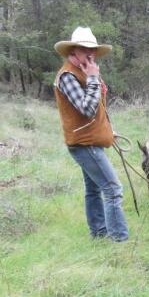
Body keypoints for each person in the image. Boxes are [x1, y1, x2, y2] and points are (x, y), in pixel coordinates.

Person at [53, 27, 129, 242]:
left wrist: (106, 131)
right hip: (83, 144)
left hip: (89, 140)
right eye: (84, 49)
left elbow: (96, 111)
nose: (90, 53)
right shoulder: (68, 76)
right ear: (73, 50)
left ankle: (99, 234)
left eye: (93, 49)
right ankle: (119, 240)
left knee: (94, 190)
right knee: (113, 189)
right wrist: (94, 78)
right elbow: (86, 108)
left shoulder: (85, 71)